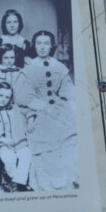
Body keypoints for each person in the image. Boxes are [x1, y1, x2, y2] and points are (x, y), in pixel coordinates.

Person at [13, 30, 77, 191]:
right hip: (37, 110)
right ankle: (49, 182)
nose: (42, 47)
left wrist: (67, 105)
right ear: (34, 46)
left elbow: (69, 91)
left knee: (70, 135)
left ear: (52, 46)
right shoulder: (28, 69)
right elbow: (22, 96)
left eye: (46, 43)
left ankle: (66, 180)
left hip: (59, 109)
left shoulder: (59, 67)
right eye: (39, 43)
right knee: (43, 140)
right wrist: (42, 107)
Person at [0, 82, 32, 192]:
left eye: (7, 97)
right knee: (9, 159)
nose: (3, 99)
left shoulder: (15, 108)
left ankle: (18, 181)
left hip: (18, 141)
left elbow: (27, 111)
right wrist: (3, 140)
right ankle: (14, 179)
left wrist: (31, 119)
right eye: (1, 95)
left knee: (26, 155)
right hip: (2, 143)